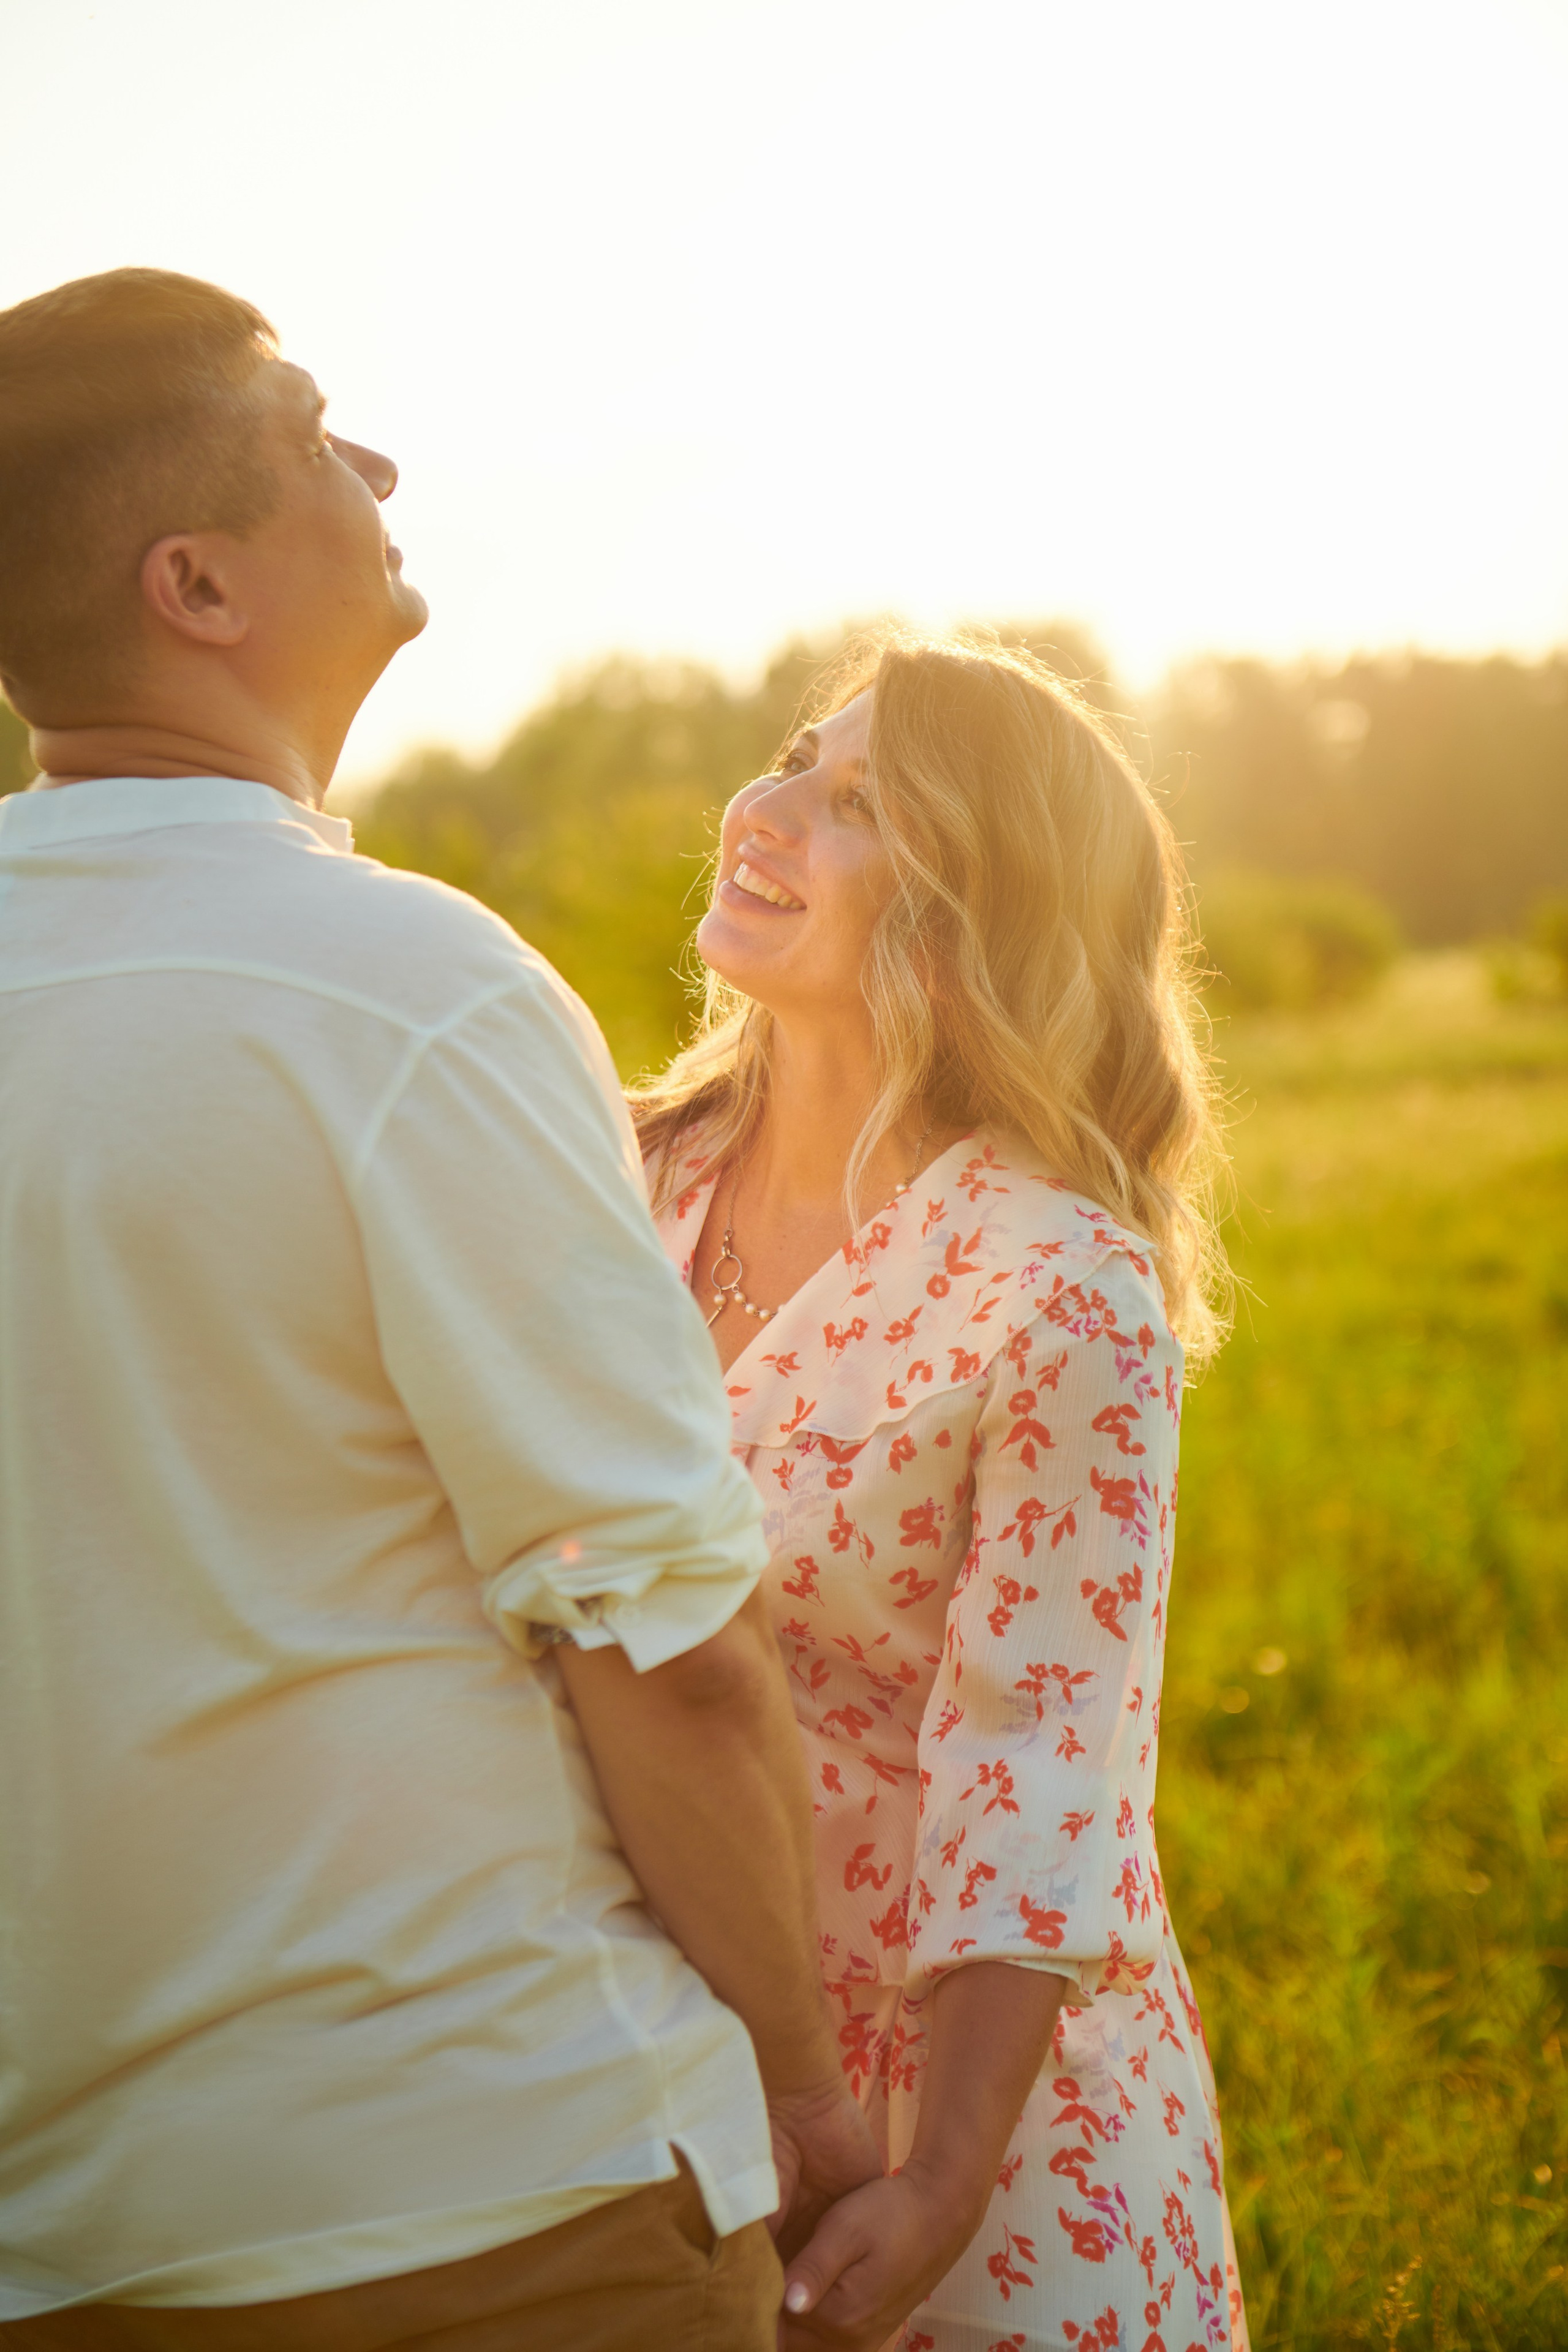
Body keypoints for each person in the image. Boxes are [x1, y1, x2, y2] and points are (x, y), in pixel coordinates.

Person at [0, 268, 878, 2348]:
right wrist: (807, 2101)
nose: (377, 466)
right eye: (317, 434)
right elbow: (662, 1643)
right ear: (197, 586)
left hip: (63, 2239)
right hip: (493, 2209)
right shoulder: (414, 990)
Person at [634, 636, 1253, 2352]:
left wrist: (944, 2176)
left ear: (973, 912)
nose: (763, 814)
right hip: (647, 2034)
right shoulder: (612, 1172)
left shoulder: (1059, 1287)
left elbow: (1046, 1758)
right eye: (790, 763)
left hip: (963, 2085)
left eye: (858, 807)